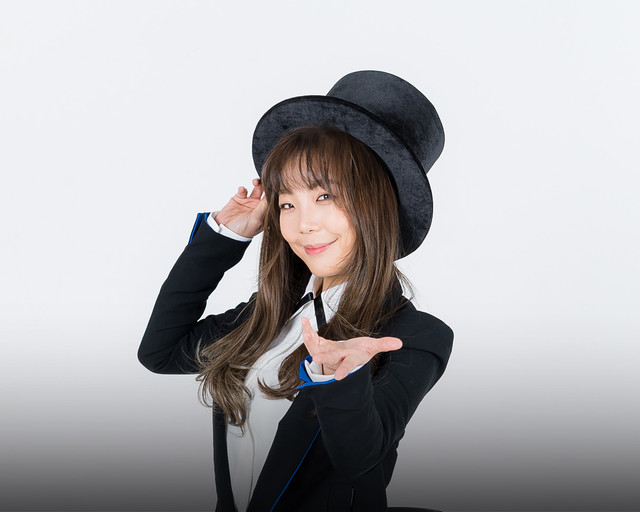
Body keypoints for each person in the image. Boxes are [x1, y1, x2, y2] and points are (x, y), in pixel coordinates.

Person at [138, 71, 454, 512]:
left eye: (325, 197)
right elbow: (160, 352)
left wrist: (340, 380)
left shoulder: (415, 336)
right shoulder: (268, 317)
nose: (303, 224)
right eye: (287, 203)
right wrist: (223, 237)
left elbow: (360, 460)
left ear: (378, 205)